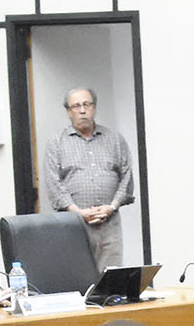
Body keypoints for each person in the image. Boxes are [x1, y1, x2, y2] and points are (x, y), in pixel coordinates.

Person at [45, 88, 137, 266]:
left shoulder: (115, 139)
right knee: (79, 275)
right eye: (76, 106)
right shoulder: (57, 142)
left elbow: (126, 176)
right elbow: (53, 183)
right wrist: (78, 212)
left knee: (110, 278)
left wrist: (111, 207)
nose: (82, 110)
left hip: (109, 223)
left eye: (86, 104)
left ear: (94, 107)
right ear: (68, 111)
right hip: (73, 223)